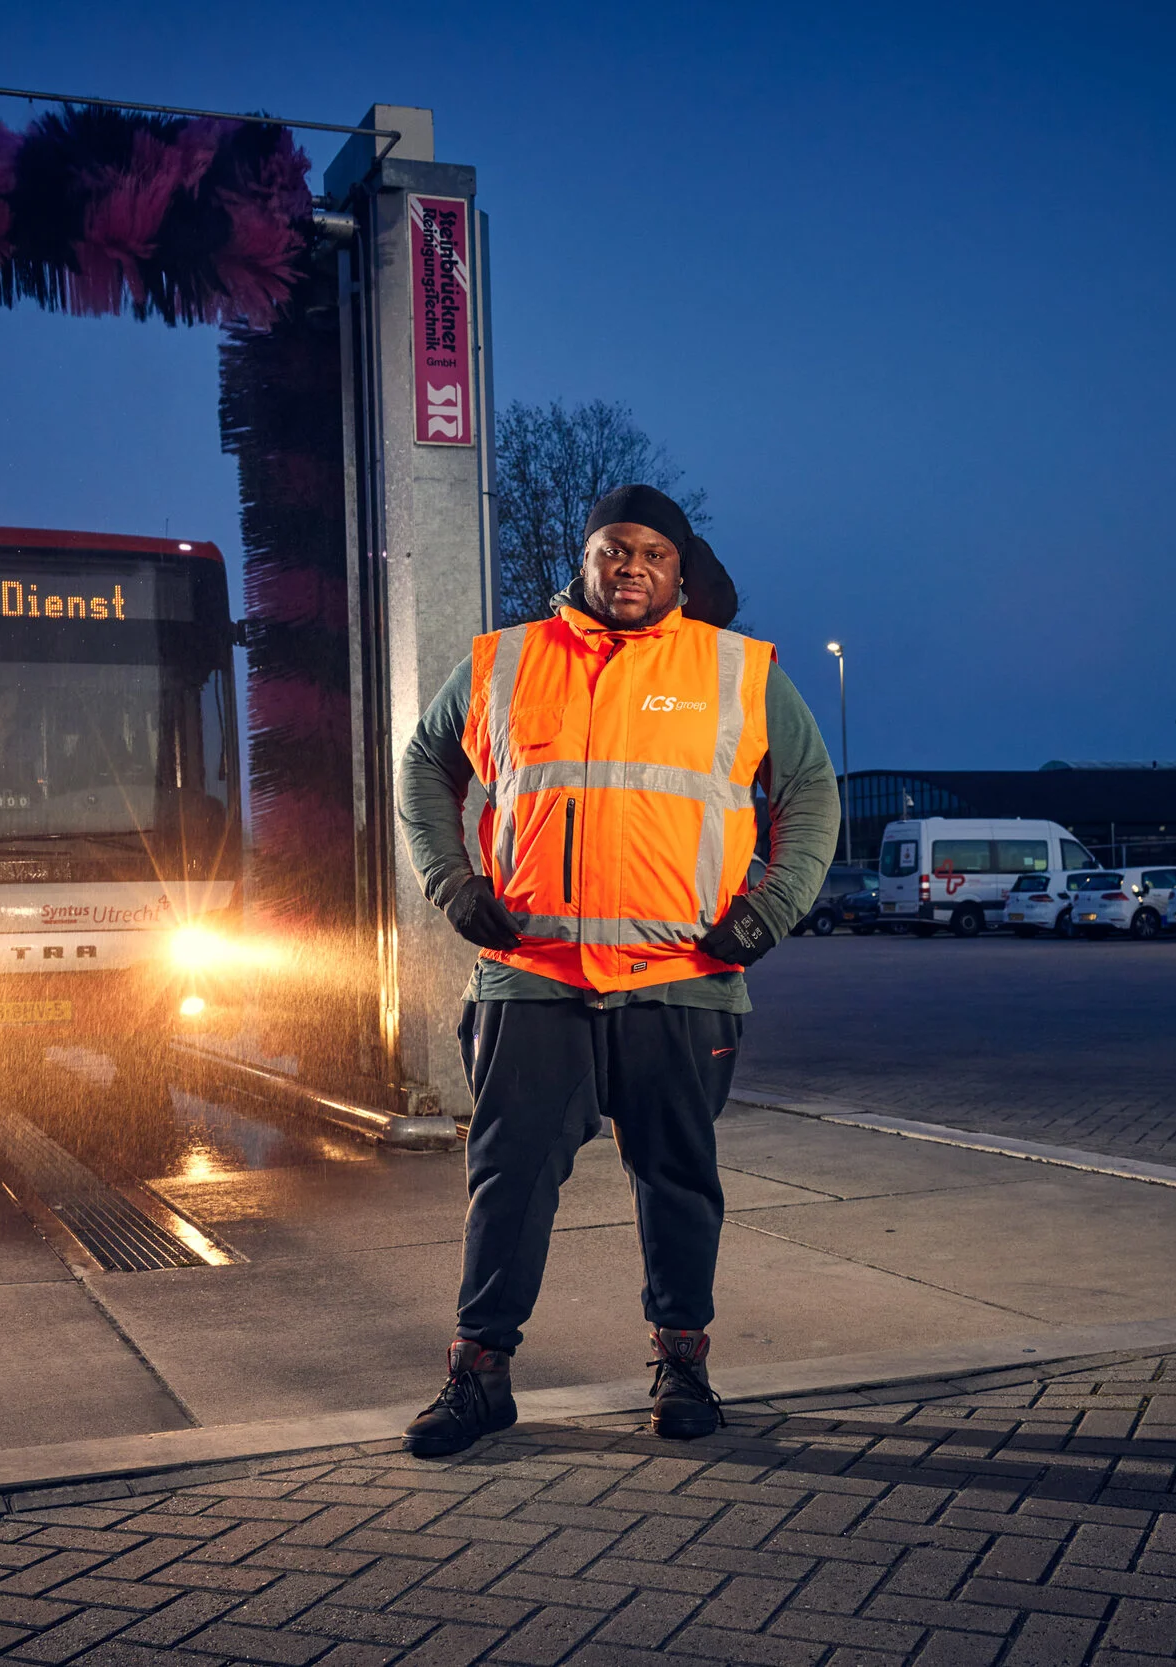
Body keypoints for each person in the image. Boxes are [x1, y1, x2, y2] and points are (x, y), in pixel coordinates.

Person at [395, 483, 841, 1455]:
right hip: (535, 975)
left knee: (678, 1177)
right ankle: (479, 1377)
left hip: (682, 979)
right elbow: (424, 763)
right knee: (506, 1180)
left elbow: (810, 791)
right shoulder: (506, 661)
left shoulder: (738, 671)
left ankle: (682, 1363)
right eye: (612, 549)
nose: (629, 566)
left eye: (650, 553)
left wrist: (770, 909)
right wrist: (450, 879)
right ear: (584, 557)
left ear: (680, 570)